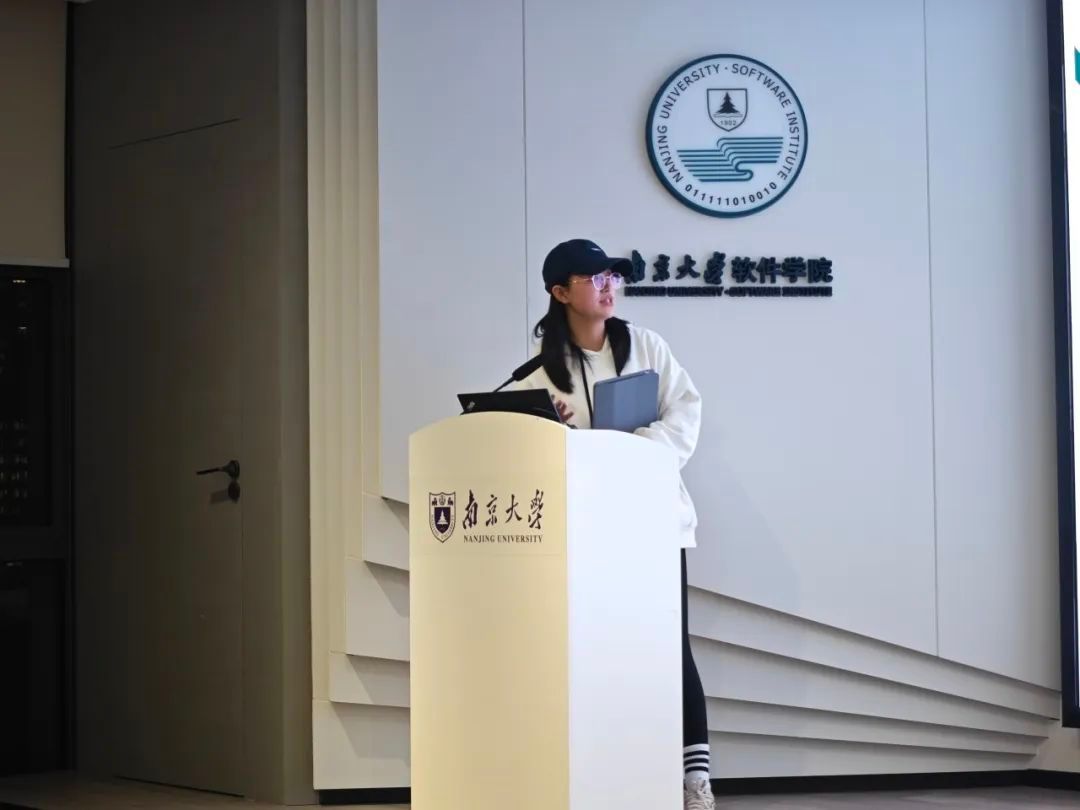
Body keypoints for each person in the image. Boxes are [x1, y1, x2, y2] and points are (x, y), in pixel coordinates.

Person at [513, 238, 713, 810]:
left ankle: (694, 779)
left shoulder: (645, 345)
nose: (608, 287)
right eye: (593, 278)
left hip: (653, 522)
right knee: (594, 647)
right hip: (587, 529)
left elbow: (686, 410)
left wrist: (632, 450)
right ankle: (611, 773)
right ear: (560, 292)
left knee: (670, 647)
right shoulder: (539, 371)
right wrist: (562, 439)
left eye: (612, 277)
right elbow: (532, 448)